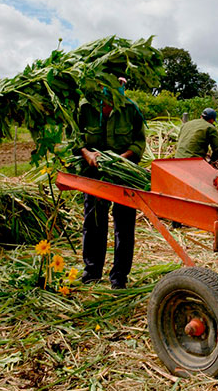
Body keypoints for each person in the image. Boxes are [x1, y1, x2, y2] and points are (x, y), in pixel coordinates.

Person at [74, 77, 146, 289]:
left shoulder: (131, 109)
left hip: (123, 174)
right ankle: (92, 271)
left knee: (124, 226)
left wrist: (122, 157)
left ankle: (119, 277)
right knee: (93, 221)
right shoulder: (85, 107)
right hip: (94, 174)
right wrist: (86, 153)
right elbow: (75, 138)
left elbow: (139, 141)